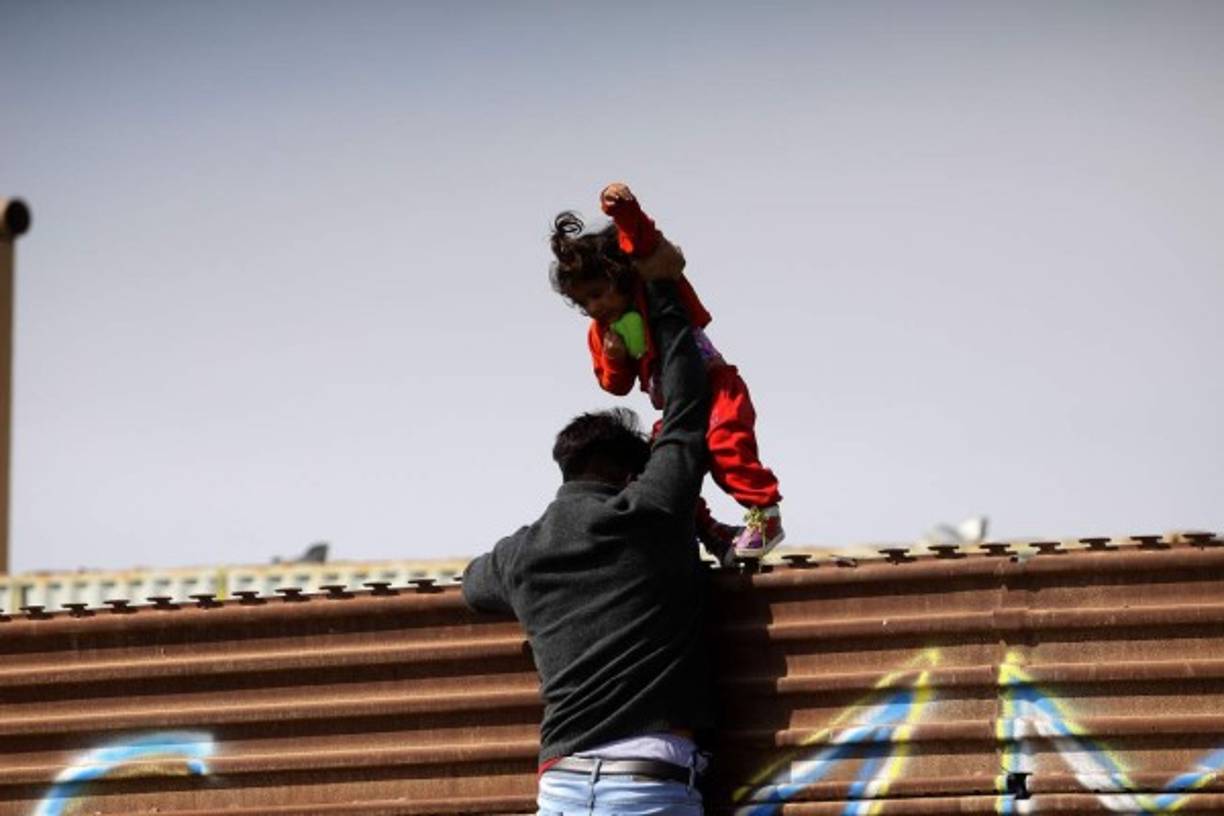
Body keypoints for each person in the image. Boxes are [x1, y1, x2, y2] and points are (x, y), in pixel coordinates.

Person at [463, 237, 714, 815]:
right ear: (631, 472)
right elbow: (685, 412)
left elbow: (473, 587)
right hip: (647, 782)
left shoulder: (520, 555)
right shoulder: (648, 512)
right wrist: (661, 291)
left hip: (562, 788)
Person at [548, 183, 784, 559]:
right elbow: (615, 386)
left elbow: (643, 244)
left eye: (597, 293)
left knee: (726, 447)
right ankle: (710, 532)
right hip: (674, 408)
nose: (593, 306)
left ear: (617, 275)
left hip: (715, 386)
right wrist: (615, 356)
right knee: (657, 470)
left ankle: (765, 513)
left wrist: (625, 211)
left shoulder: (650, 286)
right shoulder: (603, 332)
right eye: (583, 302)